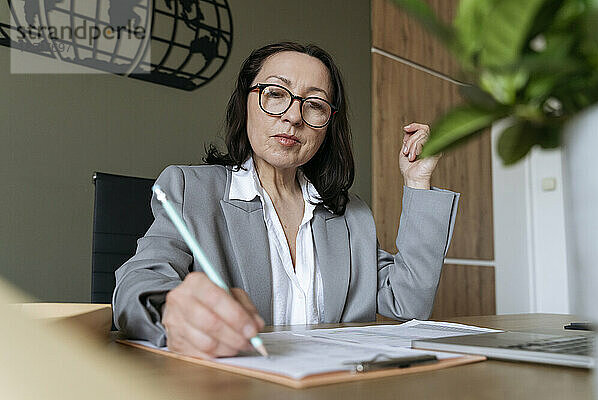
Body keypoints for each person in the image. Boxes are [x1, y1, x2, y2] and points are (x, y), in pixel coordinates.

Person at [112, 42, 459, 359]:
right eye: (276, 94)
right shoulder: (190, 190)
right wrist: (171, 308)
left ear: (327, 125)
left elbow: (409, 301)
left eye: (315, 104)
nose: (293, 116)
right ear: (245, 103)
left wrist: (418, 181)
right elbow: (137, 283)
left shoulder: (350, 214)